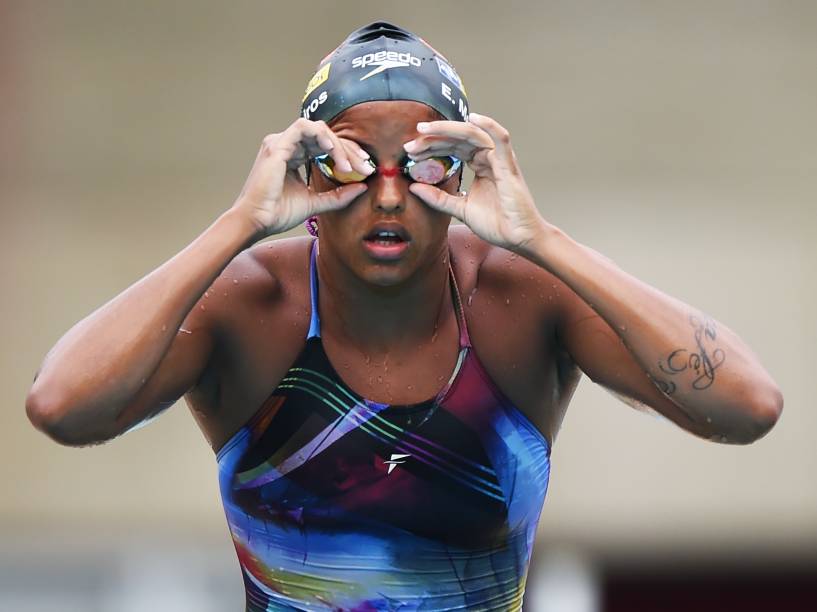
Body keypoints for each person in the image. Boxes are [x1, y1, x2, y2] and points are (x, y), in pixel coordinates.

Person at [25, 21, 783, 611]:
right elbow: (61, 407)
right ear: (309, 171)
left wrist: (540, 239)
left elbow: (746, 407)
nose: (388, 195)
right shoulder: (251, 304)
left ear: (463, 174)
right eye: (355, 162)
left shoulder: (517, 301)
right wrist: (238, 222)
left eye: (422, 165)